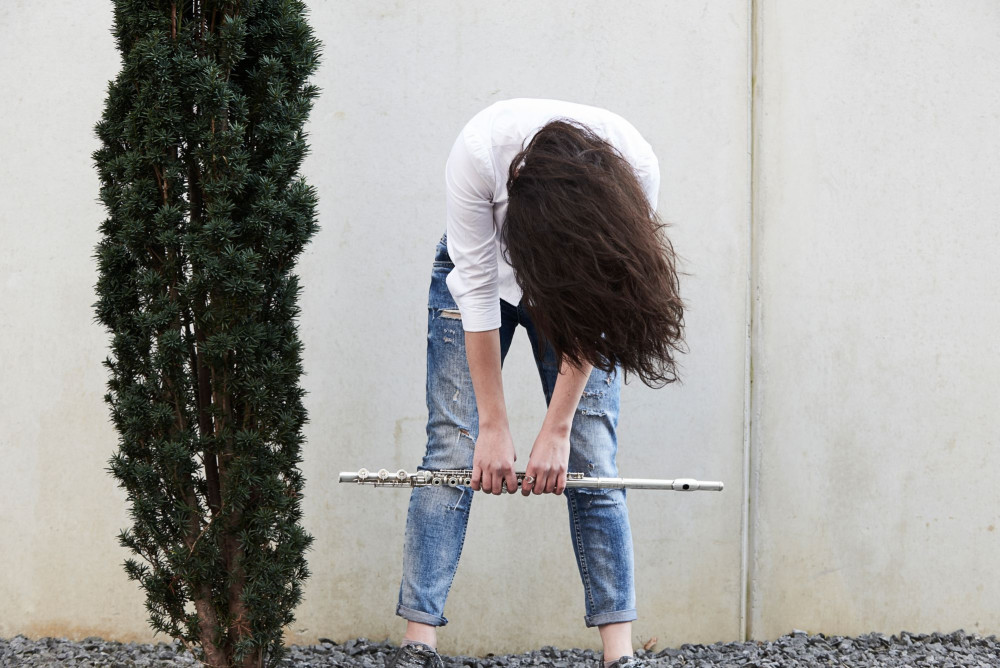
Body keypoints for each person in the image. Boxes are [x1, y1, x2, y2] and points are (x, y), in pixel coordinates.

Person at [387, 97, 685, 668]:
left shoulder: (636, 167)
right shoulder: (478, 154)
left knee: (591, 460)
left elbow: (605, 303)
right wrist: (494, 427)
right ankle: (417, 648)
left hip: (573, 292)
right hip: (475, 281)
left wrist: (557, 429)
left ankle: (619, 657)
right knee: (451, 447)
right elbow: (474, 295)